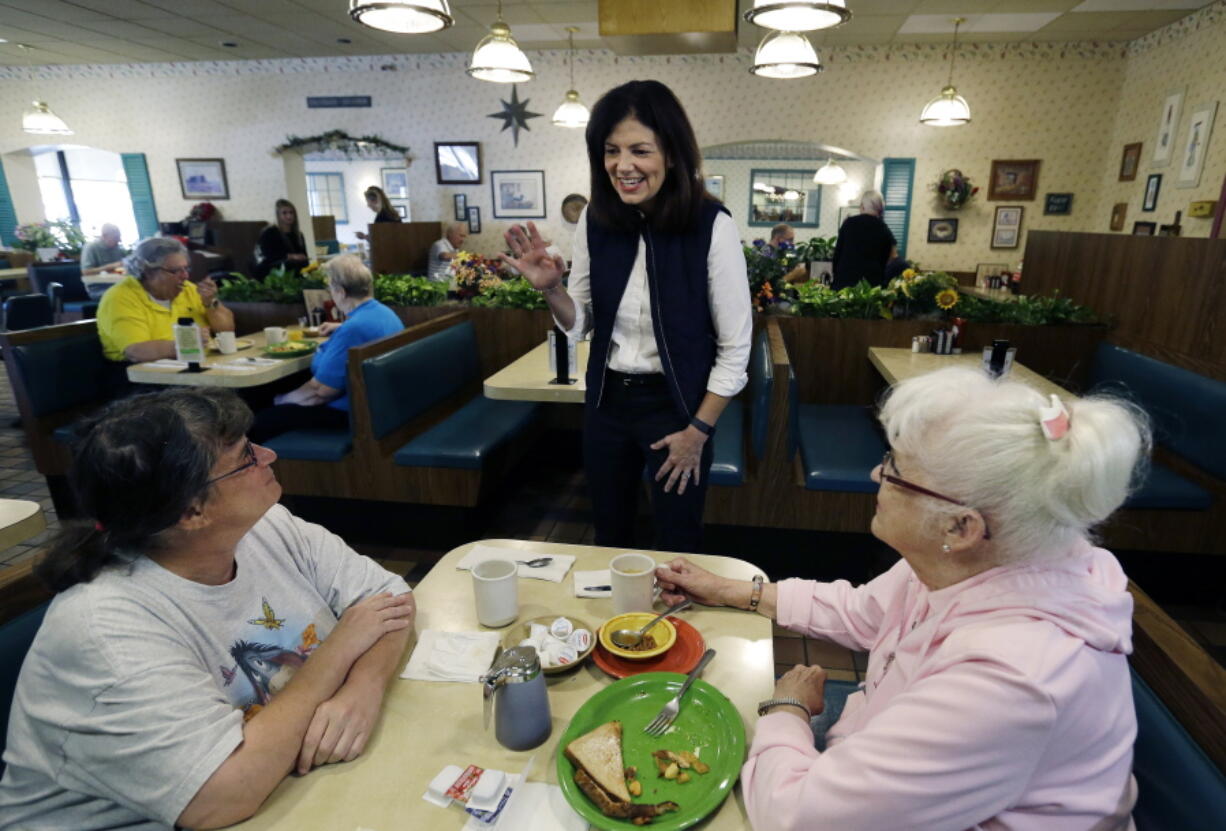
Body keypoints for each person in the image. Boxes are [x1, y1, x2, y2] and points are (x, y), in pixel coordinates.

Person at [653, 366, 1150, 830]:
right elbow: (863, 612)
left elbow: (796, 816)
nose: (875, 476)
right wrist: (728, 589)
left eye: (893, 469)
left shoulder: (1011, 680)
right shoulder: (983, 557)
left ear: (961, 525)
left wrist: (788, 710)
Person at [0, 388, 416, 830]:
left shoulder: (262, 527)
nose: (269, 455)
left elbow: (390, 599)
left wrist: (363, 690)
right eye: (245, 458)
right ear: (192, 511)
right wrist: (341, 648)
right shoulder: (105, 630)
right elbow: (222, 798)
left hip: (278, 789)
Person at [502, 79, 752, 554]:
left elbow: (735, 349)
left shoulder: (710, 226)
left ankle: (674, 626)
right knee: (609, 533)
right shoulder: (598, 221)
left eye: (640, 150)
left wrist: (698, 431)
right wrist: (552, 288)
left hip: (677, 408)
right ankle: (615, 627)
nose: (623, 165)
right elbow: (580, 324)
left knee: (676, 537)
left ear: (673, 154)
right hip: (607, 402)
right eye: (611, 151)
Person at [248, 254, 403, 443]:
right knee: (267, 392)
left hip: (350, 414)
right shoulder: (383, 313)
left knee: (258, 420)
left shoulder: (353, 329)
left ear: (341, 292)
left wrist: (279, 401)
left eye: (331, 288)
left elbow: (318, 394)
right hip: (380, 403)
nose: (331, 293)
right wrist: (339, 327)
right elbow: (366, 329)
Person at [96, 236, 235, 364]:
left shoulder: (188, 289)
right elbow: (136, 352)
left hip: (199, 366)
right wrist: (186, 343)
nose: (185, 276)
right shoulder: (120, 297)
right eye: (175, 271)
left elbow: (226, 330)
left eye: (186, 268)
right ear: (148, 271)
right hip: (146, 377)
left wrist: (211, 303)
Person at [831, 191, 897, 290]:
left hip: (843, 285)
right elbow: (892, 258)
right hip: (871, 288)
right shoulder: (884, 229)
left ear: (862, 206)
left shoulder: (848, 224)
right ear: (880, 209)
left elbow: (837, 254)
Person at [254, 199, 309, 280]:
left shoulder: (298, 235)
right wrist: (291, 256)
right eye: (284, 213)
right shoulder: (269, 233)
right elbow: (267, 256)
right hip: (273, 272)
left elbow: (304, 257)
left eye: (291, 212)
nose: (289, 216)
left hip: (295, 271)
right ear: (278, 215)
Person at [80, 223, 128, 300]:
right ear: (104, 236)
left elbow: (121, 268)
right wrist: (109, 267)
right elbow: (86, 272)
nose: (119, 240)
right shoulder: (91, 247)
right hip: (97, 288)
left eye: (119, 237)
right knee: (125, 295)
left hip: (117, 284)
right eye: (116, 237)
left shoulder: (116, 248)